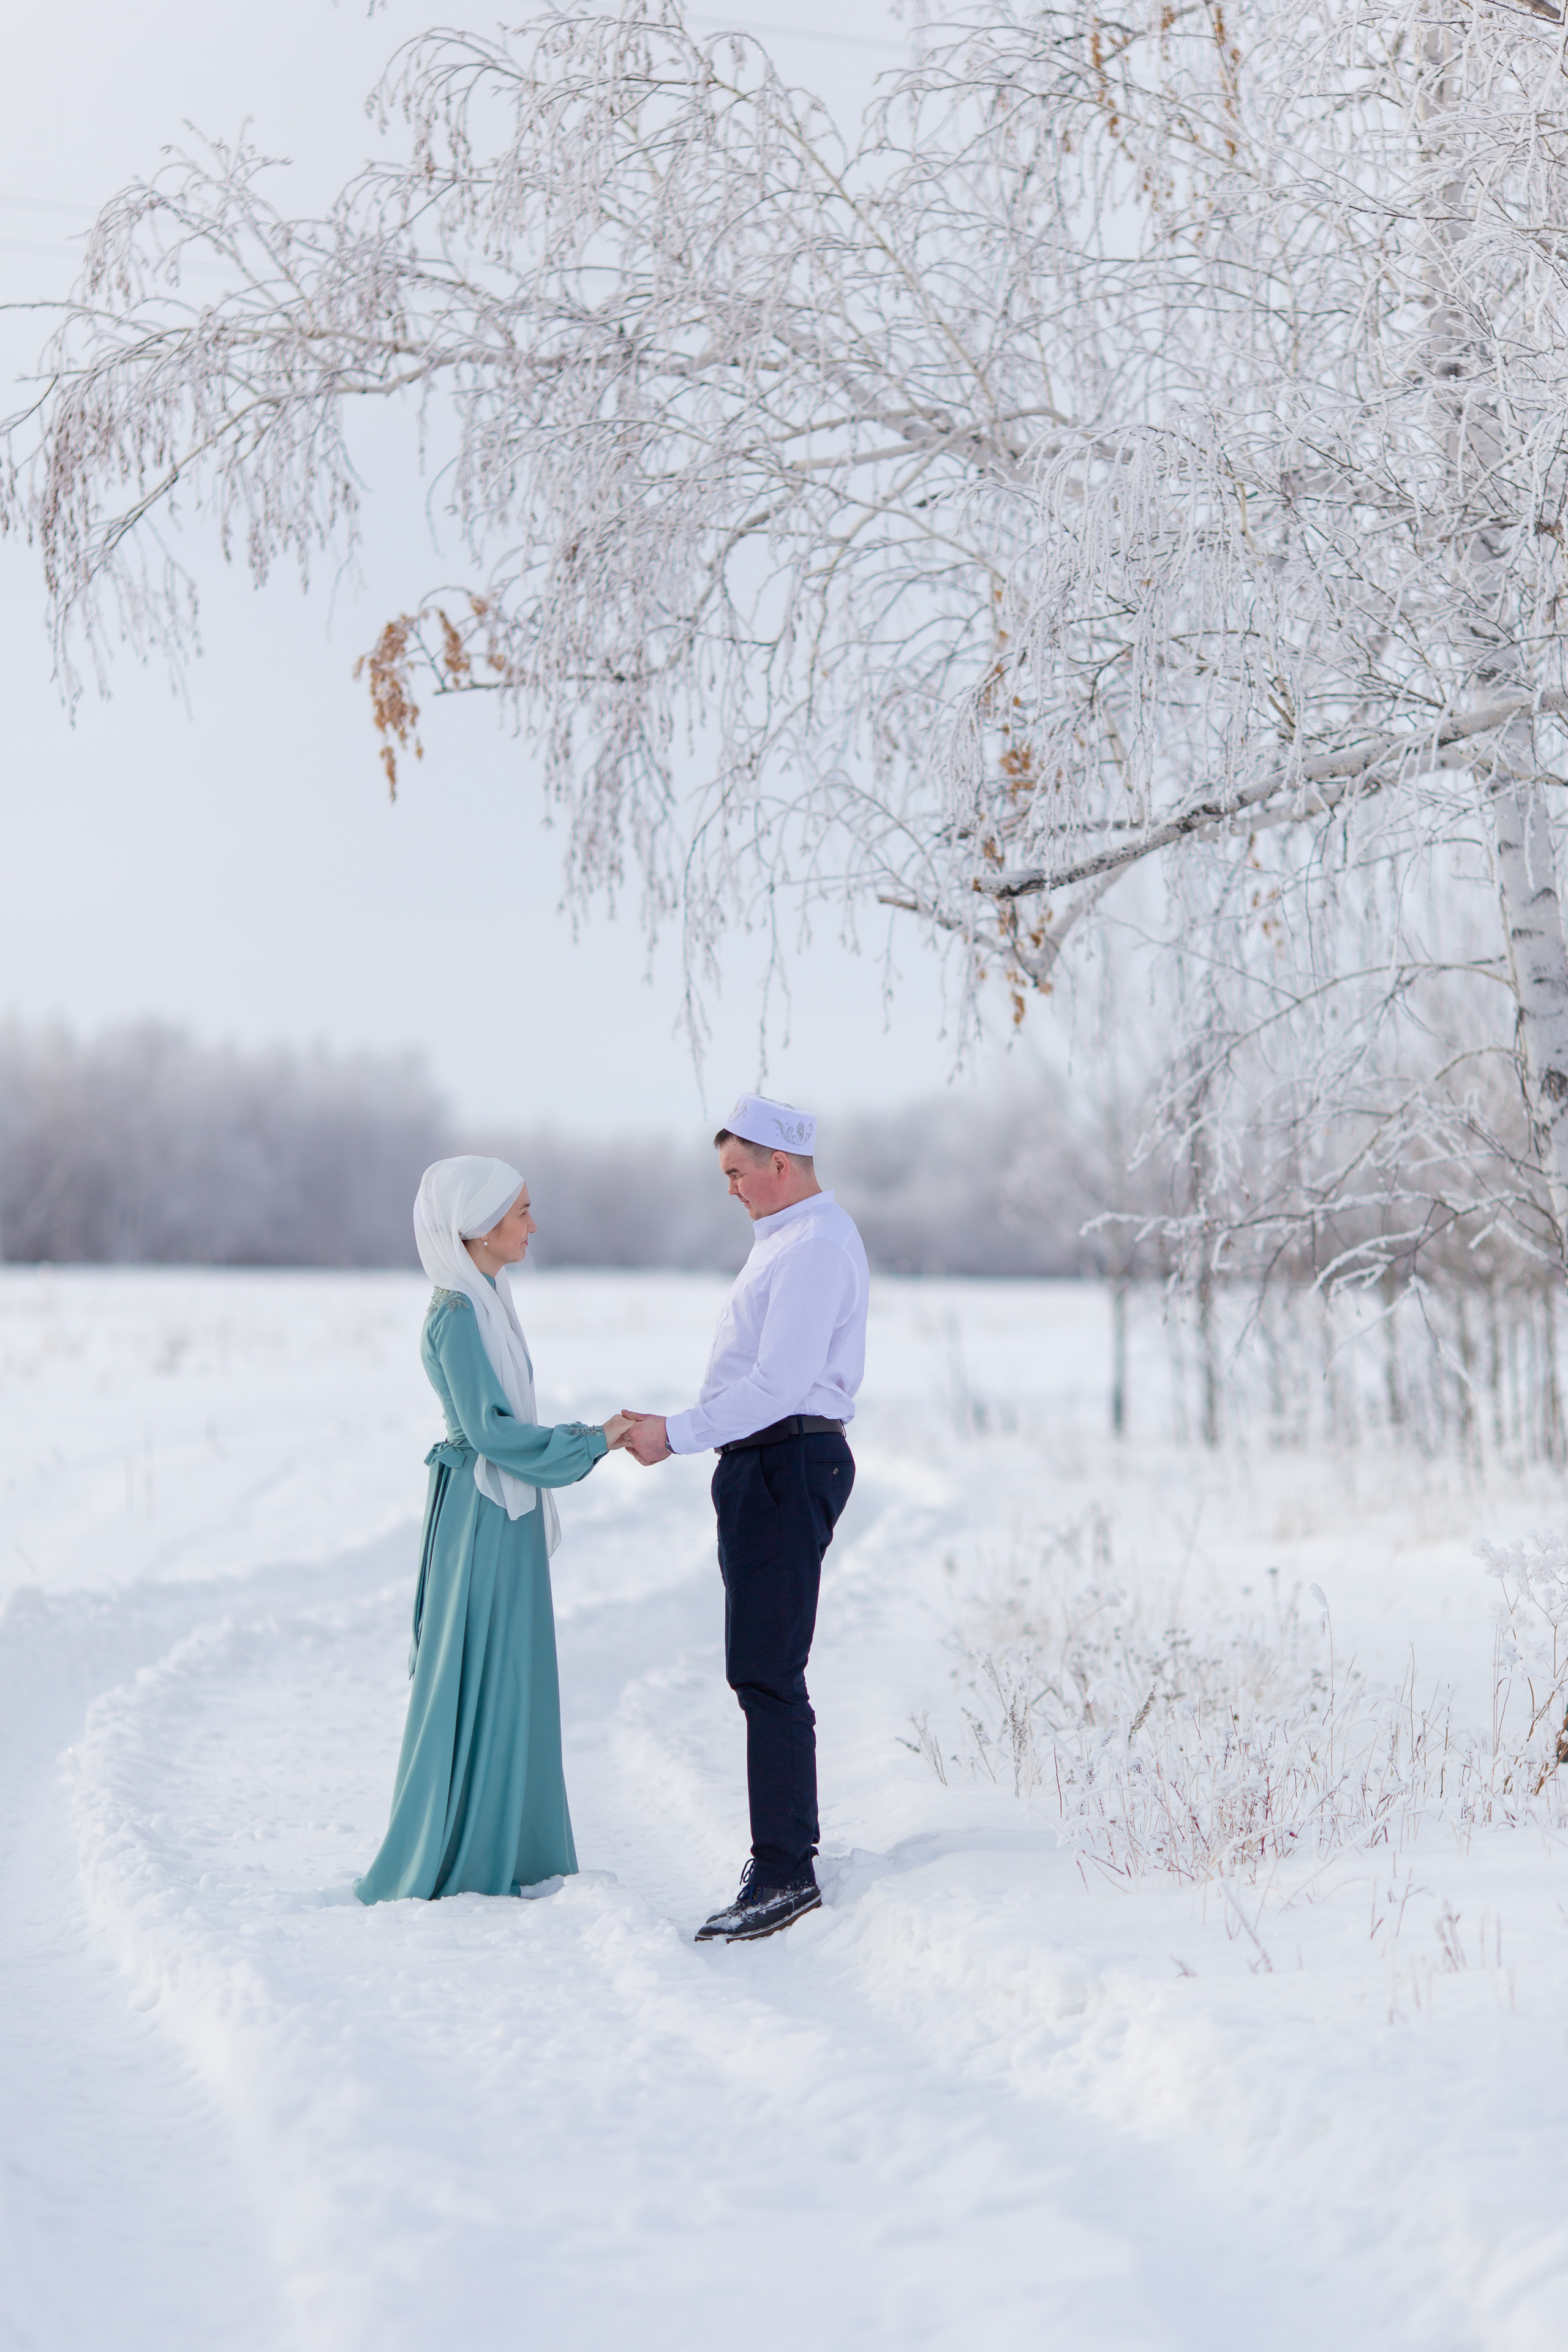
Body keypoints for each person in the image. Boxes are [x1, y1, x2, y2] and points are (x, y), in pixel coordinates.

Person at [622, 1094, 869, 1945]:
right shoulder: (790, 1244)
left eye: (737, 1172)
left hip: (784, 1459)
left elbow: (778, 1384)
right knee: (761, 1666)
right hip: (766, 1463)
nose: (731, 1189)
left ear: (781, 1164)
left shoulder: (813, 1249)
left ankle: (785, 1871)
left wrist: (675, 1436)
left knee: (767, 1670)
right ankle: (781, 1856)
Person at [356, 1157, 632, 1905]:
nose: (533, 1225)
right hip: (481, 1515)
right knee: (480, 1673)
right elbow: (491, 1433)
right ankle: (466, 1854)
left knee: (510, 1674)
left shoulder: (487, 1301)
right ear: (477, 1228)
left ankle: (513, 1847)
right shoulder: (455, 1314)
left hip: (497, 1514)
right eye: (521, 1213)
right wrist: (593, 1441)